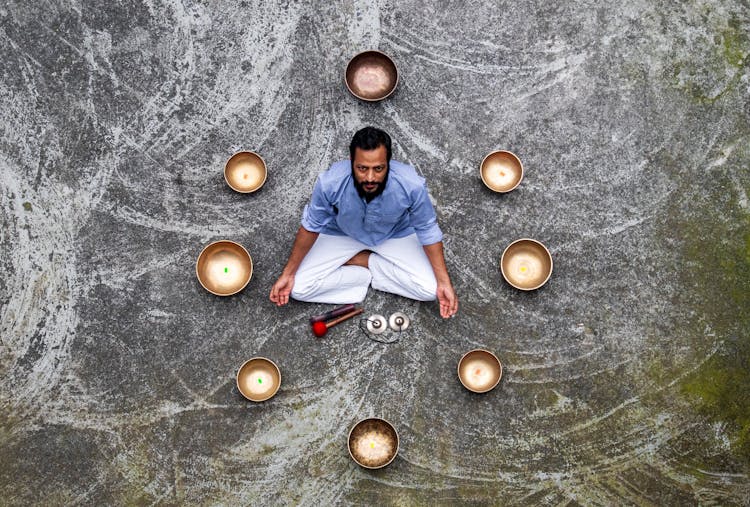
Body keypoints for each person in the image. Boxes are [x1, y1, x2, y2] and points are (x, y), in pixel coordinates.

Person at [269, 126, 458, 318]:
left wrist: (445, 283)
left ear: (388, 163)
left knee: (430, 290)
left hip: (394, 234)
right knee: (299, 288)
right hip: (342, 233)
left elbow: (427, 229)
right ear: (351, 161)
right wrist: (288, 274)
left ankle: (367, 261)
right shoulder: (329, 183)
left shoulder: (411, 184)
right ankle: (361, 274)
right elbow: (311, 227)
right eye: (362, 168)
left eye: (378, 168)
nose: (370, 178)